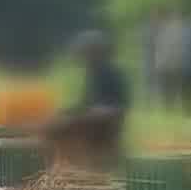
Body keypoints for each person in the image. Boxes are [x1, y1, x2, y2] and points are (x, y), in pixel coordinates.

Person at [44, 31, 129, 161]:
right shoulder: (94, 73)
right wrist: (69, 111)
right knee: (56, 124)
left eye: (88, 53)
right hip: (94, 117)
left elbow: (118, 105)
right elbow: (87, 102)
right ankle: (69, 163)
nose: (85, 58)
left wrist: (90, 112)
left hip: (107, 120)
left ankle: (83, 162)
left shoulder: (111, 73)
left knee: (64, 127)